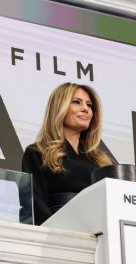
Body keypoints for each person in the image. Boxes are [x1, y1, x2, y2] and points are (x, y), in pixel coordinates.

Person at [22, 82, 114, 225]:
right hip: (61, 237)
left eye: (89, 105)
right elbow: (35, 206)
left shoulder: (102, 161)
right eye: (77, 102)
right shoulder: (38, 153)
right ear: (59, 108)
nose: (86, 109)